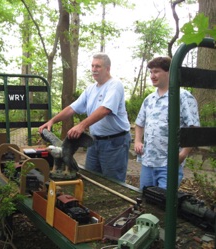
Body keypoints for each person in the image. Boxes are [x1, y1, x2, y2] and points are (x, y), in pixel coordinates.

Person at [39, 53, 131, 182]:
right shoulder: (90, 89)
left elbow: (105, 109)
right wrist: (52, 121)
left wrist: (82, 125)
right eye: (92, 66)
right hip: (94, 141)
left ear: (107, 68)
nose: (94, 69)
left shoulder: (115, 85)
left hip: (114, 143)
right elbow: (72, 108)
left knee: (112, 183)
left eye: (98, 66)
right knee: (90, 178)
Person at [134, 56, 200, 190]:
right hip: (148, 162)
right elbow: (139, 123)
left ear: (169, 72)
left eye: (156, 71)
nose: (152, 75)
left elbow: (193, 129)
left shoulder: (183, 97)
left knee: (164, 204)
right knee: (146, 200)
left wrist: (182, 154)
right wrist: (137, 141)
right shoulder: (149, 99)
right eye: (151, 72)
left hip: (169, 164)